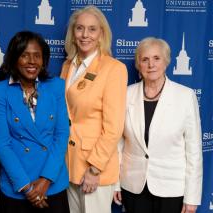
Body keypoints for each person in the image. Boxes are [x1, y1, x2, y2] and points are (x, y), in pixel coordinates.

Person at [113, 37, 203, 213]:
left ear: (166, 61)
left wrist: (192, 197)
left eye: (156, 58)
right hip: (133, 186)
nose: (150, 65)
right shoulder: (126, 95)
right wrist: (116, 183)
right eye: (144, 59)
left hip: (171, 188)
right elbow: (118, 144)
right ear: (138, 64)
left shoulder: (185, 96)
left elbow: (194, 151)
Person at [0, 31, 70, 213]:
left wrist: (46, 180)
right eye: (24, 55)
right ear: (14, 58)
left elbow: (61, 135)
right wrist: (27, 188)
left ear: (44, 60)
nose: (31, 61)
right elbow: (2, 145)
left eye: (37, 55)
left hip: (52, 185)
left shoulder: (56, 86)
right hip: (17, 187)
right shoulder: (0, 92)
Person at [60, 5, 128, 213]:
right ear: (73, 33)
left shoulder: (113, 69)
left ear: (101, 34)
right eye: (80, 28)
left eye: (92, 29)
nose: (85, 35)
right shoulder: (67, 66)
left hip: (94, 168)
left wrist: (95, 168)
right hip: (68, 165)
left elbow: (114, 127)